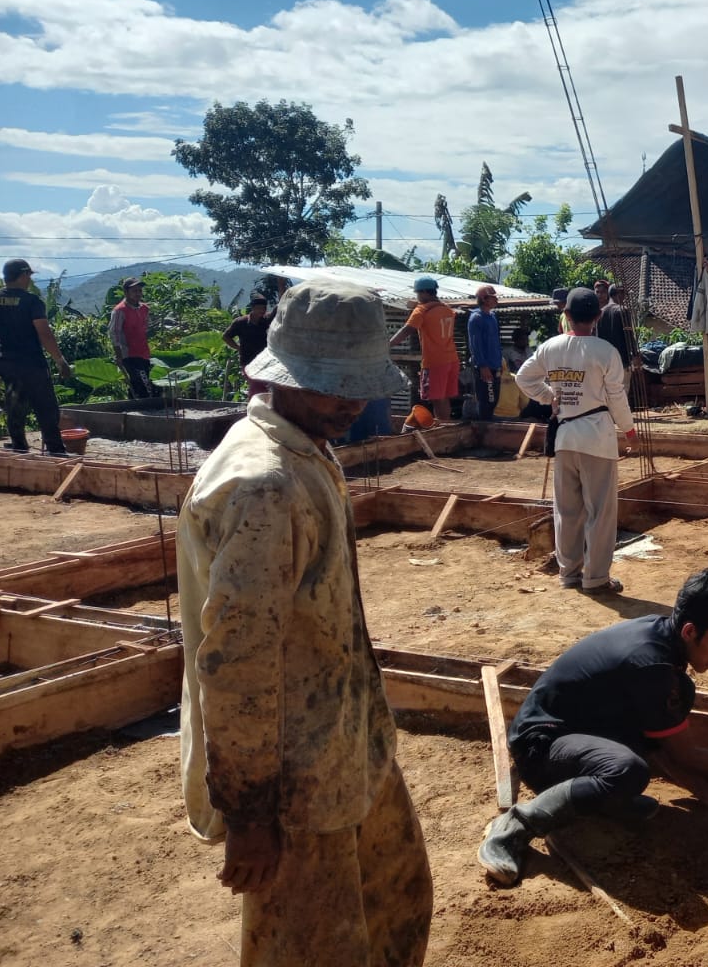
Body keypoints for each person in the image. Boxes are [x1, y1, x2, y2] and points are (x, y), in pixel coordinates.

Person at [177, 280, 431, 966]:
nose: (351, 402)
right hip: (293, 781)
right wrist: (252, 817)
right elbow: (238, 667)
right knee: (312, 946)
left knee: (394, 904)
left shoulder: (303, 443)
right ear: (283, 376)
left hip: (346, 742)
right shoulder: (264, 484)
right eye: (331, 386)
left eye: (357, 386)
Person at [478, 569, 708, 885]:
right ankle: (516, 826)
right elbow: (686, 753)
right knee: (627, 771)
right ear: (691, 631)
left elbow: (657, 738)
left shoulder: (662, 638)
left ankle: (604, 800)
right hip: (541, 746)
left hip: (579, 729)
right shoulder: (650, 663)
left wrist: (703, 788)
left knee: (673, 703)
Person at [514, 287, 637, 593]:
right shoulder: (606, 352)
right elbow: (616, 397)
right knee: (601, 513)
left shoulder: (550, 348)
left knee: (567, 511)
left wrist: (550, 397)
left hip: (565, 438)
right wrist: (630, 430)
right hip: (597, 438)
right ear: (597, 316)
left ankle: (569, 575)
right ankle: (595, 579)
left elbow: (523, 378)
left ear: (566, 315)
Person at [0, 258, 72, 455]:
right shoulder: (31, 301)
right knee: (45, 406)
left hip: (6, 362)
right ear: (23, 275)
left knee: (14, 403)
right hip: (32, 363)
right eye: (29, 275)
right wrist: (60, 360)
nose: (29, 280)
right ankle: (55, 449)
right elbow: (44, 333)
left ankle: (19, 445)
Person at [389, 276, 459, 418]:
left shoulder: (422, 310)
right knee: (443, 397)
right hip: (452, 359)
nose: (418, 297)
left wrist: (387, 346)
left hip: (435, 362)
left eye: (418, 293)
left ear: (425, 292)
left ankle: (440, 429)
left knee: (436, 398)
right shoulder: (446, 309)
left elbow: (406, 330)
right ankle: (445, 427)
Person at [109, 276, 155, 400]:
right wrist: (118, 355)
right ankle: (143, 409)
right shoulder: (120, 311)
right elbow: (114, 333)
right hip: (128, 354)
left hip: (143, 352)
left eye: (139, 291)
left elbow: (145, 329)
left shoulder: (145, 309)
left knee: (138, 384)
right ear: (126, 292)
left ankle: (134, 409)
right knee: (141, 382)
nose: (138, 294)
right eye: (134, 291)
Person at [223, 293, 275, 399]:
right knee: (257, 385)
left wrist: (281, 283)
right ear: (253, 308)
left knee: (263, 387)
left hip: (264, 361)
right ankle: (253, 408)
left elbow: (279, 307)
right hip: (248, 361)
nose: (262, 311)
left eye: (264, 308)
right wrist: (238, 347)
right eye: (259, 308)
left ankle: (258, 407)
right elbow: (226, 337)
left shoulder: (266, 320)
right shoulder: (240, 322)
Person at [467, 285, 502, 423]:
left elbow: (495, 342)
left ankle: (488, 427)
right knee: (486, 401)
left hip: (495, 365)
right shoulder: (476, 318)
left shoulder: (492, 317)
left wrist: (500, 362)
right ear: (484, 299)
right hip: (485, 367)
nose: (496, 300)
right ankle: (483, 431)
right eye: (493, 297)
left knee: (494, 399)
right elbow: (476, 344)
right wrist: (482, 365)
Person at [595, 282, 636, 367]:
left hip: (605, 361)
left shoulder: (600, 313)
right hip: (621, 361)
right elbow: (629, 336)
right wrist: (635, 355)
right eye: (624, 294)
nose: (624, 297)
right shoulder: (623, 310)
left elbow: (597, 338)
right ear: (619, 294)